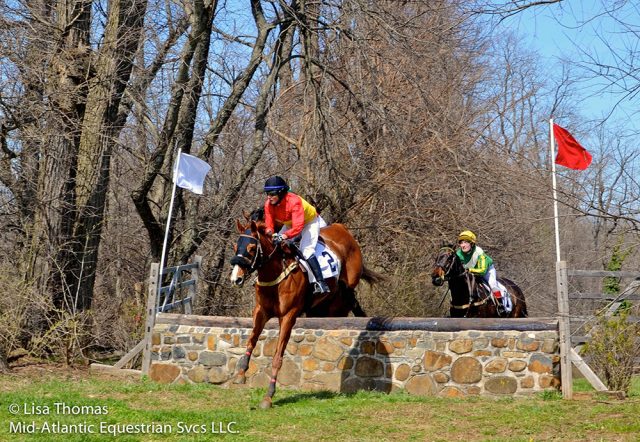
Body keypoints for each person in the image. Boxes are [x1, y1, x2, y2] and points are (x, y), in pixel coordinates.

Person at [262, 176, 329, 294]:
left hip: (309, 222)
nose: (269, 197)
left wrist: (283, 236)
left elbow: (298, 227)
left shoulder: (294, 202)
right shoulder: (268, 204)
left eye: (272, 193)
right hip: (290, 224)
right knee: (273, 247)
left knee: (307, 251)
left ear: (281, 193)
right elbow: (269, 225)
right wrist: (270, 234)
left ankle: (321, 282)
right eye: (267, 193)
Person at [455, 230, 511, 314]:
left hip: (487, 271)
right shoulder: (458, 254)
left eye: (466, 242)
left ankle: (500, 304)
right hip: (471, 272)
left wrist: (470, 270)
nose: (463, 245)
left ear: (472, 243)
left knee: (493, 285)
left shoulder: (479, 252)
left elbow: (482, 271)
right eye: (461, 243)